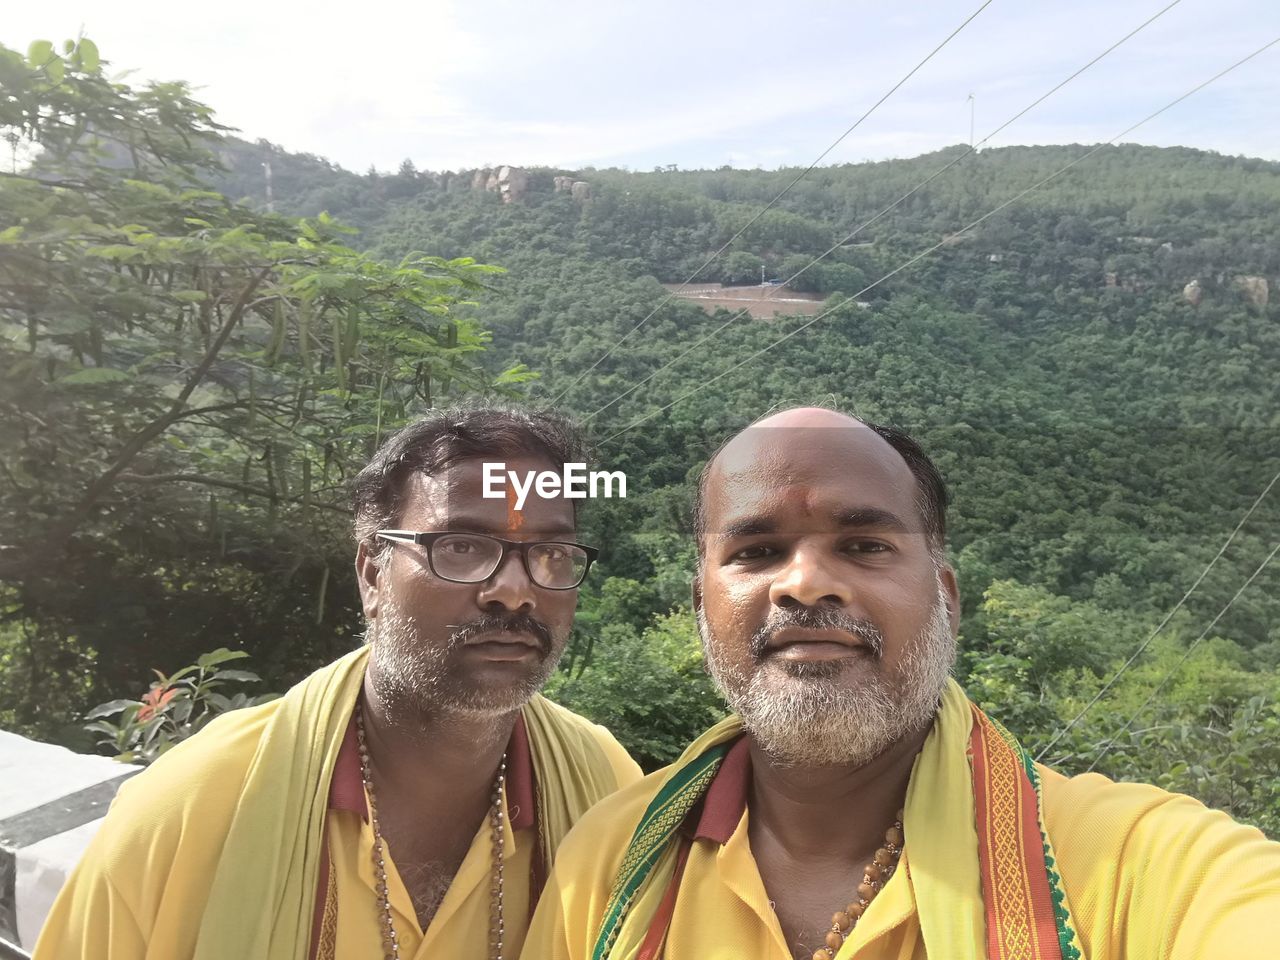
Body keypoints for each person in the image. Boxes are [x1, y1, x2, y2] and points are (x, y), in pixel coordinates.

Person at [524, 406, 1280, 960]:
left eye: (863, 544)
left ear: (946, 596)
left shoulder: (1138, 866)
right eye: (756, 551)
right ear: (701, 607)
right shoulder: (612, 858)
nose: (807, 583)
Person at [34, 404, 642, 960]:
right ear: (373, 574)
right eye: (460, 546)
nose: (514, 590)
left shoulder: (607, 786)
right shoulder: (193, 807)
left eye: (552, 554)